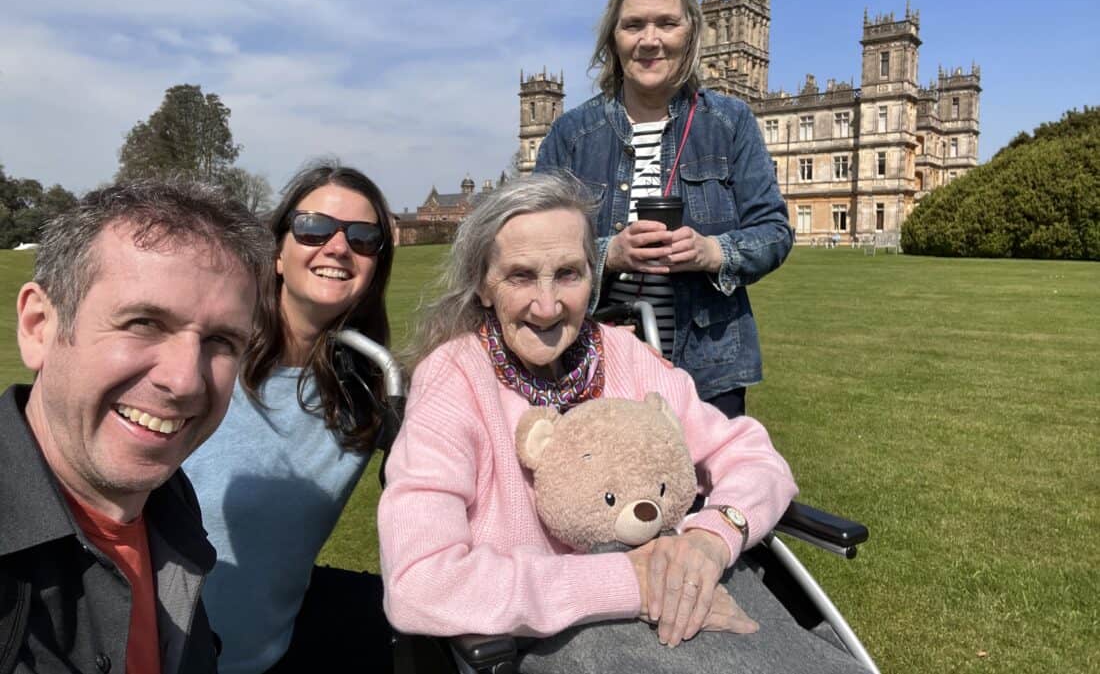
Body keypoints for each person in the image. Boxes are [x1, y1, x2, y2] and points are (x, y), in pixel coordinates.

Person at [378, 173, 868, 674]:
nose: (547, 306)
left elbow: (752, 455)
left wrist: (711, 537)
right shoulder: (454, 380)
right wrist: (631, 582)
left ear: (594, 274)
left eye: (568, 273)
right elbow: (419, 581)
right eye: (521, 276)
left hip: (690, 605)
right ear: (484, 283)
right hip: (553, 641)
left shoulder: (624, 355)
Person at [0, 179, 272, 674]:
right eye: (144, 323)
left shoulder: (169, 502)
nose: (186, 381)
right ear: (39, 325)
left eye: (221, 341)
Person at [535, 0, 793, 418]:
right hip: (596, 364)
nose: (649, 40)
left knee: (711, 489)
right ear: (613, 37)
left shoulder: (730, 122)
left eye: (667, 24)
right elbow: (528, 247)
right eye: (634, 25)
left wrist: (712, 253)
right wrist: (607, 253)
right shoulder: (572, 135)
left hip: (709, 368)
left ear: (691, 32)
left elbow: (774, 230)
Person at [184, 160, 396, 674]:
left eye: (364, 238)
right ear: (277, 251)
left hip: (263, 659)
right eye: (314, 228)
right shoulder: (201, 362)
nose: (338, 247)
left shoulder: (367, 391)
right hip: (155, 652)